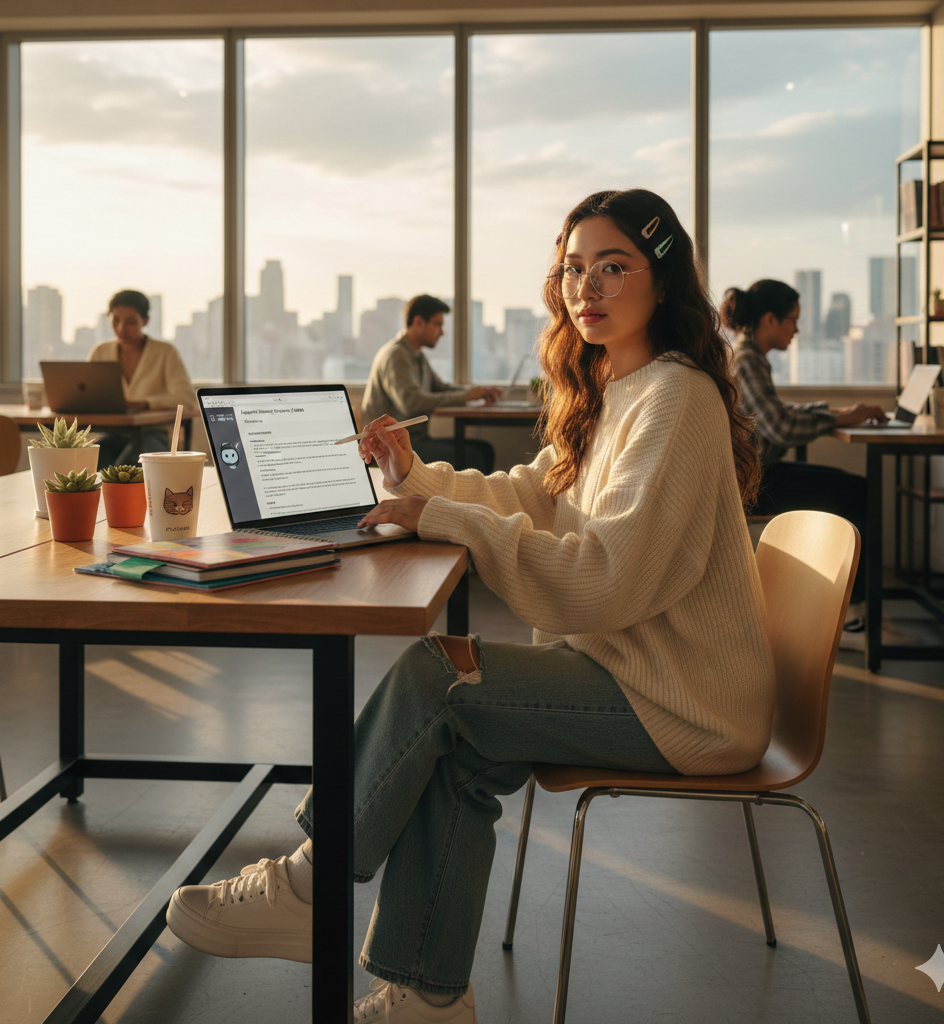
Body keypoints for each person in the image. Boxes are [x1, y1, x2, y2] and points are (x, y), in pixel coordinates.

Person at [165, 189, 777, 1023]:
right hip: (628, 672)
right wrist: (415, 480)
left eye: (612, 267)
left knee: (437, 680)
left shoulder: (676, 399)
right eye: (572, 270)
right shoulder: (616, 386)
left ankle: (310, 885)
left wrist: (443, 517)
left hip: (685, 702)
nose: (585, 288)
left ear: (662, 283)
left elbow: (605, 579)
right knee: (455, 751)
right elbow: (535, 494)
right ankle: (428, 997)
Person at [722, 279, 889, 649]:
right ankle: (851, 619)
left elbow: (774, 414)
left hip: (761, 474)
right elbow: (780, 427)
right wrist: (835, 419)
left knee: (853, 488)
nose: (797, 329)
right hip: (753, 485)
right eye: (792, 320)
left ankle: (845, 609)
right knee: (859, 492)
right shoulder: (748, 360)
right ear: (770, 319)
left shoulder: (749, 356)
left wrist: (835, 413)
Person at [361, 295, 502, 473]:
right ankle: (464, 502)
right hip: (391, 448)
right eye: (438, 324)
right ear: (418, 322)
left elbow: (441, 388)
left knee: (484, 450)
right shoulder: (396, 356)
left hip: (416, 440)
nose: (442, 332)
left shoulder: (417, 356)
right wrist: (466, 396)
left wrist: (476, 392)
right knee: (475, 456)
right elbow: (411, 403)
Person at [87, 289, 197, 467]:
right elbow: (87, 393)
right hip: (114, 432)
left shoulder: (165, 353)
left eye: (130, 322)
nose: (121, 328)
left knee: (126, 467)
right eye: (115, 320)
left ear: (145, 321)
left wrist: (145, 403)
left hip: (154, 432)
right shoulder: (101, 351)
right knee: (94, 461)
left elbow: (187, 398)